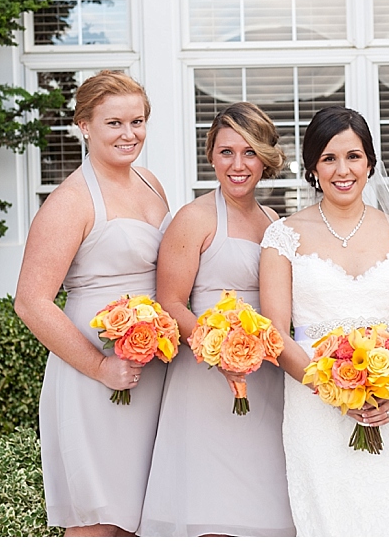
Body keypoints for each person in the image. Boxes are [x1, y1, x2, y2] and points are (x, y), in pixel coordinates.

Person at [14, 71, 171, 536]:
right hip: (96, 371)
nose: (129, 134)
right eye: (114, 123)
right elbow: (31, 302)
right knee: (100, 517)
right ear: (84, 124)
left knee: (142, 514)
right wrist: (100, 368)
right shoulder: (70, 201)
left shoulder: (150, 182)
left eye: (137, 121)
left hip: (153, 365)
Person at [259, 106, 389, 537]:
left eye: (353, 156)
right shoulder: (283, 236)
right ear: (313, 166)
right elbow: (275, 333)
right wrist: (335, 390)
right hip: (314, 404)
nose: (342, 170)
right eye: (329, 158)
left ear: (370, 162)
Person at [139, 103, 295, 537]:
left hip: (265, 378)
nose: (238, 165)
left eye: (249, 152)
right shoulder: (195, 218)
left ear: (265, 157)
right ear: (210, 155)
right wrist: (218, 350)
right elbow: (170, 301)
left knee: (263, 506)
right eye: (226, 152)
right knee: (211, 506)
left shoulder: (274, 222)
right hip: (205, 378)